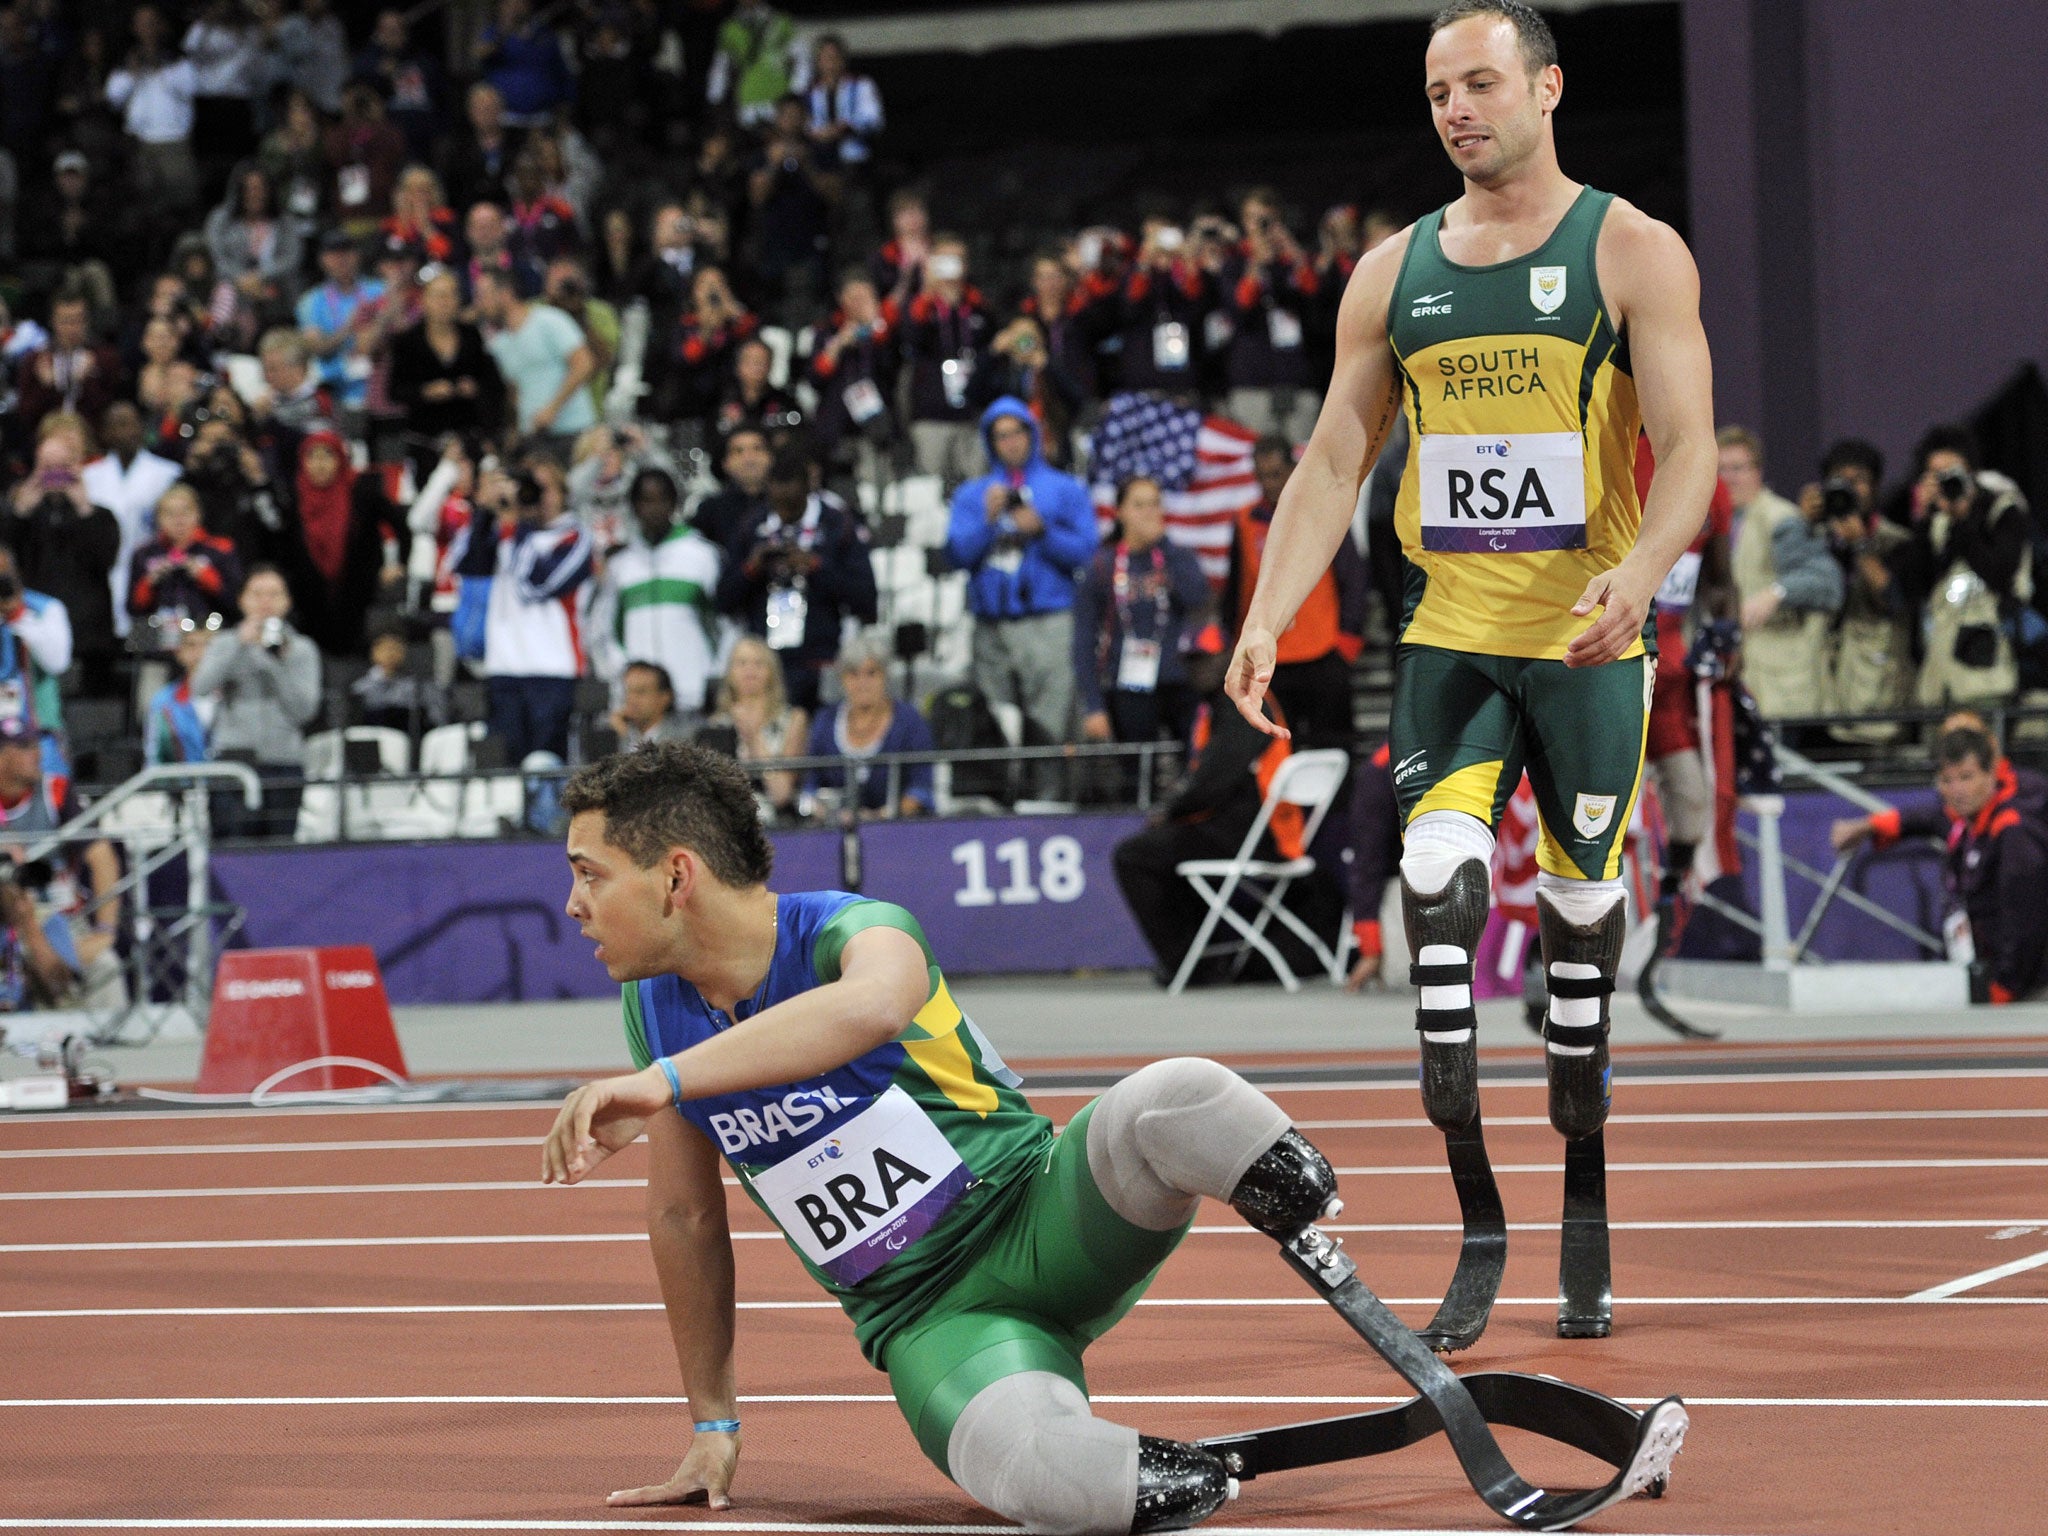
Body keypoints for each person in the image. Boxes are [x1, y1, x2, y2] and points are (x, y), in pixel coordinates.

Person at [1224, 0, 1716, 1341]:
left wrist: (1644, 572)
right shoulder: (1392, 274)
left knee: (1576, 944)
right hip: (1451, 640)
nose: (1456, 109)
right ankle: (1478, 1218)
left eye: (1481, 82)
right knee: (1434, 891)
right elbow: (1333, 460)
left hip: (1588, 647)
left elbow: (1689, 451)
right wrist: (1269, 613)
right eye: (1438, 88)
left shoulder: (1629, 250)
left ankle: (1585, 1191)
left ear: (1548, 88)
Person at [539, 741, 1343, 1533]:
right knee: (1047, 1477)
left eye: (589, 873)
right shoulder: (653, 1013)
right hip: (930, 1322)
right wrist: (712, 1428)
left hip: (1045, 1212)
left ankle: (1299, 1194)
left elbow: (875, 1007)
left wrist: (666, 1082)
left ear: (676, 875)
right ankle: (1169, 1477)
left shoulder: (855, 929)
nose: (573, 905)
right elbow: (685, 1218)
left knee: (1178, 1096)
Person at [1832, 724, 2048, 1004]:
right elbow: (1924, 818)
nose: (1957, 790)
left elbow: (2026, 923)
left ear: (1992, 773)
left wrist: (2003, 988)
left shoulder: (2013, 831)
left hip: (2027, 990)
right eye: (1947, 780)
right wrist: (1869, 825)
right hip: (1987, 974)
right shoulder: (1964, 821)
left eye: (1967, 778)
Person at [946, 399, 1097, 787]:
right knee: (995, 721)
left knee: (1048, 721)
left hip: (1048, 622)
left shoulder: (1063, 488)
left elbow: (1086, 552)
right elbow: (957, 555)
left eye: (1016, 433)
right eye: (1000, 435)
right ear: (989, 442)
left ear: (1031, 434)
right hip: (991, 625)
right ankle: (1001, 798)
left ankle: (1048, 798)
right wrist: (987, 521)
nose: (1010, 443)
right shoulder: (973, 495)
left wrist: (1042, 531)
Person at [1224, 435, 1367, 751]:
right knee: (1276, 754)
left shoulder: (1322, 511)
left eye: (1275, 474)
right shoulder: (1246, 520)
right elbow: (1236, 592)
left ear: (1292, 469)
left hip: (1323, 653)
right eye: (1261, 476)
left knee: (1333, 751)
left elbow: (1353, 577)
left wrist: (1347, 644)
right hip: (1270, 661)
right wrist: (1234, 645)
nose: (1269, 484)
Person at [448, 453, 593, 763]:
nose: (535, 497)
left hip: (552, 668)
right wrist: (485, 513)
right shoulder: (508, 531)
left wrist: (519, 525)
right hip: (504, 666)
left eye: (546, 488)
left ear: (563, 494)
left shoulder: (574, 536)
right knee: (506, 768)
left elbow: (535, 586)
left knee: (544, 765)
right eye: (530, 488)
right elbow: (468, 567)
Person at [715, 445, 876, 713]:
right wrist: (751, 569)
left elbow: (866, 598)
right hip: (766, 663)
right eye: (777, 504)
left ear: (808, 490)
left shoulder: (838, 525)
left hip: (821, 658)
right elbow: (723, 600)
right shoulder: (751, 527)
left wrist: (815, 566)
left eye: (792, 505)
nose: (785, 513)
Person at [1073, 475, 1212, 757]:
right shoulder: (1102, 566)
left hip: (1179, 680)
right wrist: (1094, 705)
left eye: (1155, 504)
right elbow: (1084, 641)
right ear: (1120, 511)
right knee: (1136, 771)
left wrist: (1164, 545)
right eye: (1139, 505)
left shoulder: (1178, 556)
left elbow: (1196, 597)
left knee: (1192, 761)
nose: (1150, 513)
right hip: (1129, 684)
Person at [189, 563, 322, 840]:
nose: (265, 602)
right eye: (257, 594)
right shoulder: (225, 643)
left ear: (287, 601)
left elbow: (305, 710)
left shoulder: (302, 650)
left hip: (283, 761)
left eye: (274, 594)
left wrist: (270, 661)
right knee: (231, 849)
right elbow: (200, 687)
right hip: (234, 760)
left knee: (280, 853)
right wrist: (240, 643)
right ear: (242, 600)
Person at [1906, 425, 2035, 711]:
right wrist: (1923, 519)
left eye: (1953, 472)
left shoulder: (2002, 509)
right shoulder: (1934, 521)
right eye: (1936, 475)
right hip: (1937, 680)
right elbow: (1914, 585)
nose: (1946, 481)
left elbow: (2000, 575)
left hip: (1987, 676)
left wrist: (1963, 520)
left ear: (1972, 472)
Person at [592, 466, 726, 723]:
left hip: (692, 694)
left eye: (661, 499)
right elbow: (604, 630)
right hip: (637, 703)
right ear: (634, 507)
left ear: (673, 503)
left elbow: (724, 624)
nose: (653, 508)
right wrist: (622, 674)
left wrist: (713, 676)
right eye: (645, 500)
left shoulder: (702, 555)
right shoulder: (621, 565)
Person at [1721, 424, 1835, 722]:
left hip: (1780, 683)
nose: (1728, 479)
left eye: (1737, 468)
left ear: (1757, 471)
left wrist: (1776, 592)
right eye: (1720, 469)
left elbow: (1826, 582)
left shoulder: (1781, 519)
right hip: (1740, 675)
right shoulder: (1716, 523)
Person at [4, 426, 122, 697]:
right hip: (33, 633)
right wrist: (21, 510)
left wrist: (83, 508)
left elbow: (106, 558)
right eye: (48, 467)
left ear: (78, 467)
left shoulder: (100, 516)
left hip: (88, 636)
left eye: (63, 466)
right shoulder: (22, 516)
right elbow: (6, 557)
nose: (56, 475)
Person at [281, 427, 409, 657]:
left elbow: (401, 526)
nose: (319, 464)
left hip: (359, 595)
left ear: (340, 458)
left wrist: (399, 564)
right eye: (312, 456)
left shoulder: (361, 490)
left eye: (327, 455)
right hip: (308, 600)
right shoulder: (293, 497)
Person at [801, 632, 934, 819]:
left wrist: (879, 817)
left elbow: (921, 787)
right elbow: (810, 785)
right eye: (854, 674)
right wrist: (828, 813)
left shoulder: (910, 721)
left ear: (885, 676)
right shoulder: (825, 720)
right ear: (842, 679)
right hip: (833, 830)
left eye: (871, 673)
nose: (862, 683)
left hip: (898, 830)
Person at [84, 401, 183, 650]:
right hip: (102, 573)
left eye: (128, 423)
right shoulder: (89, 476)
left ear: (141, 428)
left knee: (145, 650)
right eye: (115, 425)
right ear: (104, 433)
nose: (123, 431)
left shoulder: (167, 473)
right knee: (106, 647)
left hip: (150, 572)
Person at [900, 234, 992, 487]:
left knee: (977, 486)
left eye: (958, 260)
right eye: (945, 260)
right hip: (932, 417)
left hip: (971, 414)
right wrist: (929, 294)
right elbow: (909, 341)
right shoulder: (919, 306)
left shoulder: (977, 305)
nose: (952, 268)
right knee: (932, 490)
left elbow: (988, 350)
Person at [477, 265, 596, 449]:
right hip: (533, 437)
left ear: (505, 293)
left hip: (573, 430)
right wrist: (514, 431)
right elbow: (514, 392)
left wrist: (553, 408)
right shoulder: (499, 344)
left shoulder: (548, 320)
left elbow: (584, 363)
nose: (479, 303)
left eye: (483, 295)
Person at [127, 481, 243, 660]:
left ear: (198, 514)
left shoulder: (220, 549)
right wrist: (149, 583)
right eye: (170, 514)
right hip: (156, 645)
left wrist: (205, 577)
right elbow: (132, 609)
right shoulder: (143, 554)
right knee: (150, 681)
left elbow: (236, 603)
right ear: (158, 518)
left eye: (185, 512)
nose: (178, 520)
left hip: (207, 642)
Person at [701, 634, 806, 816]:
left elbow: (782, 794)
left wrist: (754, 737)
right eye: (741, 663)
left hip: (778, 820)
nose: (750, 670)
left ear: (772, 672)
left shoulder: (793, 719)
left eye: (758, 663)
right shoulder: (716, 725)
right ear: (730, 673)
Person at [296, 230, 386, 421]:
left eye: (346, 252)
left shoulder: (379, 290)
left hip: (379, 387)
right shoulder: (311, 301)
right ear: (322, 259)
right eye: (333, 254)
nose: (341, 259)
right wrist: (348, 328)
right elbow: (316, 347)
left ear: (357, 255)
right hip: (336, 390)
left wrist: (378, 326)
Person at [349, 617, 444, 737]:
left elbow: (438, 721)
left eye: (396, 647)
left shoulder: (420, 687)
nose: (390, 654)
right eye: (385, 648)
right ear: (373, 651)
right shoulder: (360, 689)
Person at [691, 425, 773, 555]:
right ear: (725, 463)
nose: (749, 459)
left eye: (757, 449)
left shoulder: (786, 503)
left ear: (771, 457)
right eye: (738, 451)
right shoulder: (710, 510)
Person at [609, 661, 696, 751]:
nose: (631, 699)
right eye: (627, 692)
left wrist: (625, 739)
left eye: (640, 692)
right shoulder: (616, 729)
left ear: (665, 697)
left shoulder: (685, 738)